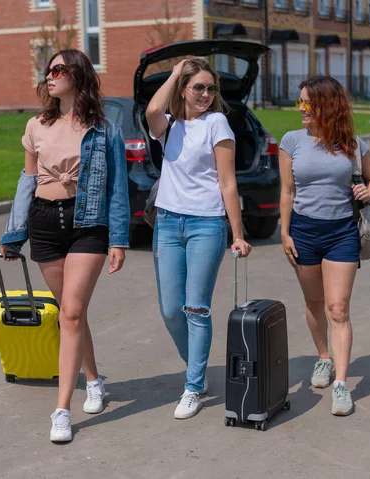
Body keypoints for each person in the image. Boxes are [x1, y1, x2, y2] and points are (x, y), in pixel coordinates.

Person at [0, 49, 130, 442]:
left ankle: (61, 411)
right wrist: (13, 233)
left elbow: (117, 188)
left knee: (70, 314)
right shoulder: (36, 125)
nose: (50, 76)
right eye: (48, 70)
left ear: (78, 75)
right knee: (73, 314)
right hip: (44, 222)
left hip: (87, 224)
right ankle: (93, 379)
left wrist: (119, 239)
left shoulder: (105, 130)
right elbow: (27, 182)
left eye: (58, 69)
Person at [145, 58, 252, 420]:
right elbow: (152, 109)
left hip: (206, 224)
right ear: (184, 90)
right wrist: (176, 73)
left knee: (196, 307)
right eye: (198, 88)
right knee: (170, 310)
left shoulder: (217, 123)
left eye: (211, 88)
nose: (206, 94)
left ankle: (193, 385)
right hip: (168, 224)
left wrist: (237, 234)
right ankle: (196, 364)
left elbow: (227, 182)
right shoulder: (170, 125)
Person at [279, 76, 370, 416]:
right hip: (304, 232)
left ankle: (341, 383)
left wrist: (369, 190)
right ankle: (323, 357)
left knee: (338, 309)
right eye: (300, 102)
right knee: (314, 302)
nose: (300, 109)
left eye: (306, 102)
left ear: (326, 105)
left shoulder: (351, 143)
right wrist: (285, 232)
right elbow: (287, 192)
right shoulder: (291, 141)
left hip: (341, 233)